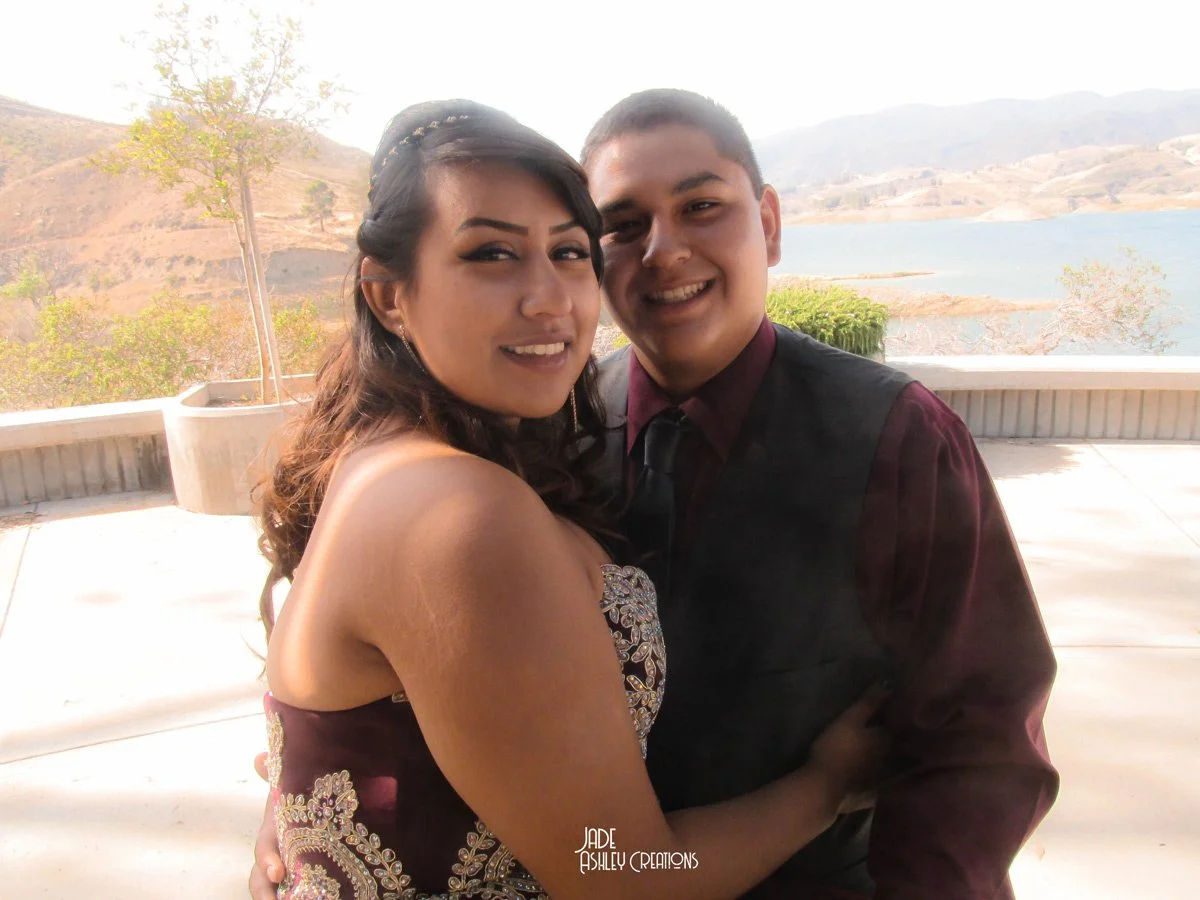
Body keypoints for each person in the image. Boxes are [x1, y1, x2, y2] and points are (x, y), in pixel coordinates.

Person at [252, 90, 1059, 899]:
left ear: (768, 225)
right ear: (389, 295)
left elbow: (976, 738)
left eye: (702, 207)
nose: (665, 250)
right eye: (622, 226)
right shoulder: (540, 438)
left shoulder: (896, 437)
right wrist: (304, 806)